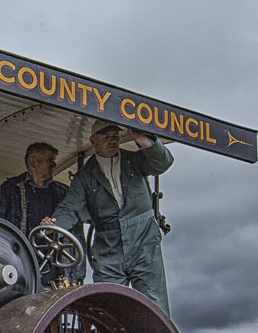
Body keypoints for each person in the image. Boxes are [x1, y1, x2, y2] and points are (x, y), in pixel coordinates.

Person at [42, 120, 175, 315]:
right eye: (106, 137)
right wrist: (53, 226)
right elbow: (70, 208)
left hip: (143, 240)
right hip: (109, 246)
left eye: (115, 137)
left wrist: (141, 137)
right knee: (108, 306)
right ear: (93, 140)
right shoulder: (85, 176)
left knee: (154, 304)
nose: (112, 141)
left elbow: (163, 163)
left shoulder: (134, 161)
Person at [0, 142, 85, 285]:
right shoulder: (10, 190)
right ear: (33, 162)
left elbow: (76, 235)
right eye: (50, 160)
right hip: (18, 266)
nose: (54, 165)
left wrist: (78, 274)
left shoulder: (63, 193)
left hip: (57, 271)